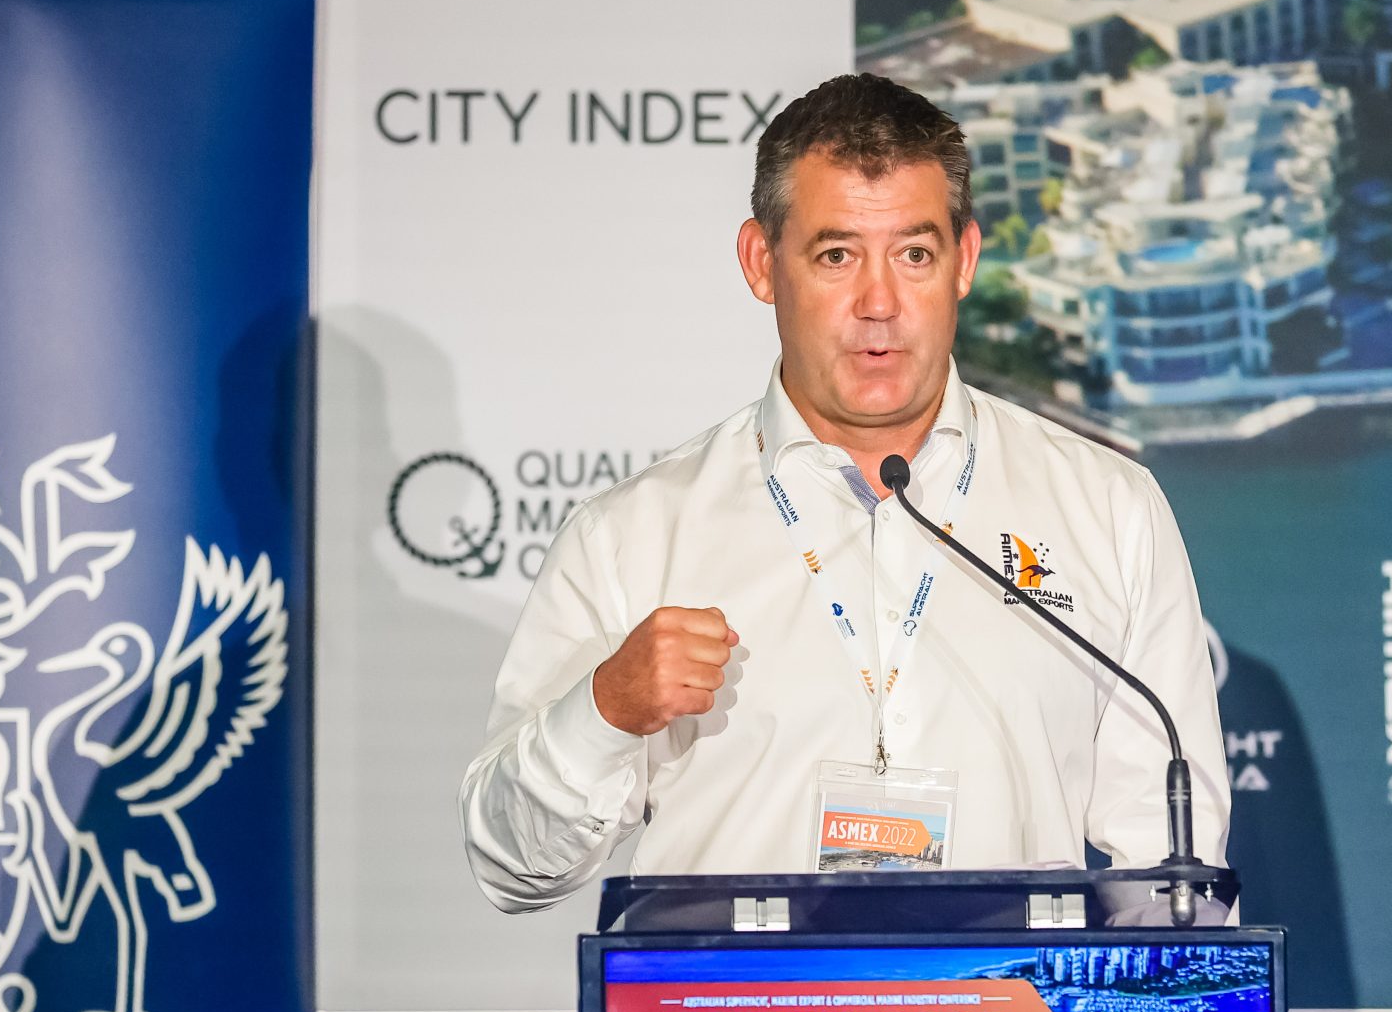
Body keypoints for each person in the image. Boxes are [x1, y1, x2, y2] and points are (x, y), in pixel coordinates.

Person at [460, 72, 1228, 911]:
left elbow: (1171, 877)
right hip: (732, 1001)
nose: (880, 304)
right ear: (762, 263)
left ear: (965, 261)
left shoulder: (1108, 509)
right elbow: (510, 865)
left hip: (1010, 999)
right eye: (837, 255)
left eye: (914, 254)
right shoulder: (634, 535)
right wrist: (606, 710)